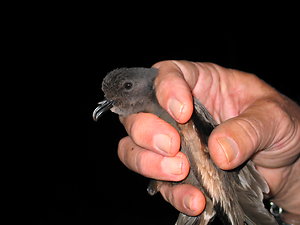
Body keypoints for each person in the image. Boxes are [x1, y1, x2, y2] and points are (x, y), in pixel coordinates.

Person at [117, 60, 300, 224]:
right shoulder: (158, 111)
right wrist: (289, 187)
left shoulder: (175, 102)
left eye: (126, 87)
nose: (116, 98)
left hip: (222, 190)